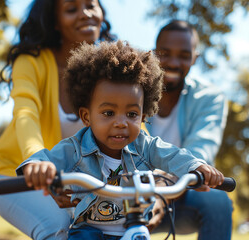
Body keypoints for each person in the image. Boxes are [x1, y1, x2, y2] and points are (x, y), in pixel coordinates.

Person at [17, 40, 226, 240]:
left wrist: (195, 166)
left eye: (132, 114)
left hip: (135, 226)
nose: (121, 123)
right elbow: (46, 159)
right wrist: (37, 167)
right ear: (86, 116)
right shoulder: (75, 148)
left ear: (143, 116)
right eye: (108, 113)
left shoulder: (145, 146)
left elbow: (172, 155)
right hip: (90, 229)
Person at [0, 0, 115, 239]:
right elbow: (25, 112)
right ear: (55, 22)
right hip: (13, 174)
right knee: (58, 226)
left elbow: (134, 127)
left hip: (73, 182)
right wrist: (36, 159)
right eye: (71, 9)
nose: (85, 14)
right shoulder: (32, 61)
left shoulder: (111, 70)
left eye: (91, 5)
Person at [145, 20, 233, 239]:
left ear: (195, 57)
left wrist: (163, 186)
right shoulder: (134, 90)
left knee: (217, 202)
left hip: (179, 192)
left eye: (184, 55)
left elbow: (201, 150)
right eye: (164, 53)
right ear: (153, 53)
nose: (173, 63)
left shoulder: (210, 97)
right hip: (129, 186)